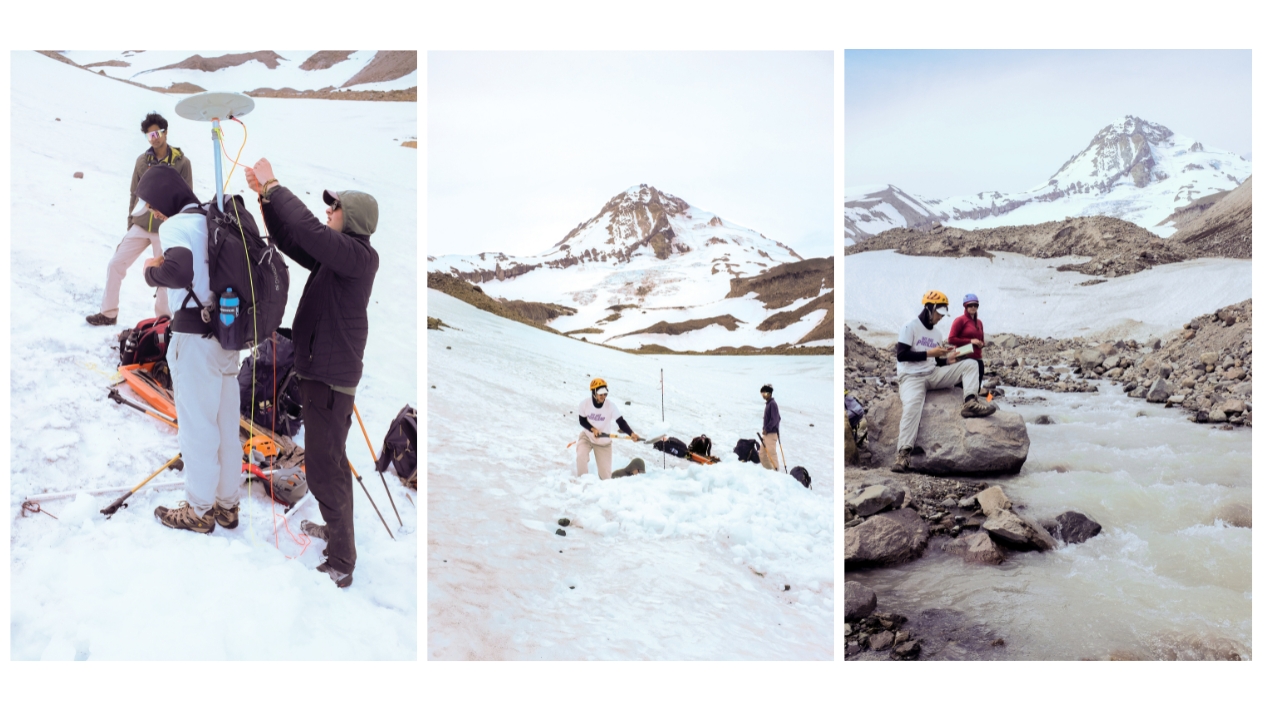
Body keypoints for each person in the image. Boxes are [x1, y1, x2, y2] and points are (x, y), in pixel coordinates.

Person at [244, 158, 379, 589]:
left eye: (334, 209)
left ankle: (342, 559)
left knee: (323, 470)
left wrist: (275, 184)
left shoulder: (356, 257)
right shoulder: (335, 259)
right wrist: (265, 198)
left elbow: (308, 231)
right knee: (332, 465)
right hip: (323, 376)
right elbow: (291, 238)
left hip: (329, 382)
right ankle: (339, 536)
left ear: (350, 218)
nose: (328, 213)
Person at [137, 165, 241, 534]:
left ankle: (199, 510)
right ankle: (227, 505)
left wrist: (151, 271)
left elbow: (179, 272)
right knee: (226, 424)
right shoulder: (212, 220)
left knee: (198, 426)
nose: (154, 213)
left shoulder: (175, 225)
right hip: (226, 335)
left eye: (152, 204)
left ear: (164, 198)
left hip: (195, 339)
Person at [87, 112, 191, 326]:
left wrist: (180, 231)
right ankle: (108, 313)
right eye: (150, 134)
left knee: (164, 275)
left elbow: (187, 198)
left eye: (157, 133)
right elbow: (134, 194)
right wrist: (130, 225)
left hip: (167, 228)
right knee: (116, 263)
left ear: (165, 132)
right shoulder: (142, 162)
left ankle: (163, 321)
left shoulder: (182, 162)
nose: (154, 137)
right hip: (141, 224)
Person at [894, 290, 997, 472]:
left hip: (933, 372)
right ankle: (903, 454)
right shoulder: (910, 327)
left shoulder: (938, 333)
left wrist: (947, 359)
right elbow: (901, 355)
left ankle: (971, 402)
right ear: (929, 308)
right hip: (912, 377)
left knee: (972, 364)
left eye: (942, 315)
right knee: (912, 407)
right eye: (939, 314)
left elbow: (936, 360)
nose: (941, 318)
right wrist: (930, 353)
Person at [576, 378, 640, 480]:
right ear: (594, 392)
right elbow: (582, 421)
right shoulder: (584, 404)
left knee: (606, 477)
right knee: (581, 456)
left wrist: (631, 433)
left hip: (603, 443)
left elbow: (621, 422)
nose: (603, 396)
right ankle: (581, 481)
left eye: (605, 394)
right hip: (587, 437)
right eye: (600, 394)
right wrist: (593, 429)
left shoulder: (610, 406)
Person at [947, 292, 986, 393]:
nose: (973, 307)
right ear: (965, 306)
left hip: (978, 358)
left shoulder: (980, 322)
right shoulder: (960, 320)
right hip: (963, 357)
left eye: (975, 305)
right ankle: (958, 406)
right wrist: (970, 341)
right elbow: (951, 339)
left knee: (976, 387)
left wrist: (981, 344)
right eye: (970, 305)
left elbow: (982, 340)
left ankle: (989, 401)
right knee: (961, 387)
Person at [760, 384, 781, 471]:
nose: (763, 396)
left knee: (771, 454)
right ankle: (769, 471)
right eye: (762, 394)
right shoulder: (769, 404)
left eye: (764, 393)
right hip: (767, 433)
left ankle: (776, 472)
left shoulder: (772, 404)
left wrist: (767, 429)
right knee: (762, 454)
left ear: (769, 394)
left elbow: (775, 419)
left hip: (771, 434)